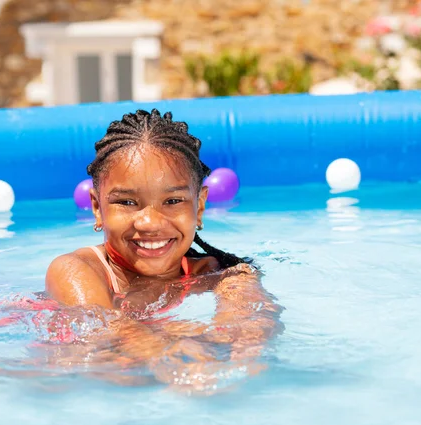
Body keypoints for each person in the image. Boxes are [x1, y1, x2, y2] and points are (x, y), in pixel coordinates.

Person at [45, 109, 283, 393]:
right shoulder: (77, 270)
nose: (150, 223)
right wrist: (181, 353)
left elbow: (249, 332)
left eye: (172, 200)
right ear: (97, 208)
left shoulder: (224, 275)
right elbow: (111, 334)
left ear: (200, 206)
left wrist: (237, 359)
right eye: (127, 202)